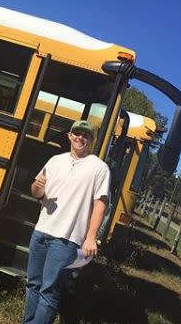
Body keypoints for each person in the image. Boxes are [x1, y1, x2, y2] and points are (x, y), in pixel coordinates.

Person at [23, 120, 110, 324]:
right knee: (33, 284)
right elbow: (36, 192)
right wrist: (37, 187)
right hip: (41, 231)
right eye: (77, 133)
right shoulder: (55, 160)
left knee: (49, 290)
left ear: (92, 141)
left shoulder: (99, 168)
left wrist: (91, 238)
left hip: (66, 240)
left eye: (86, 135)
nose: (81, 137)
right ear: (69, 136)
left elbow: (101, 204)